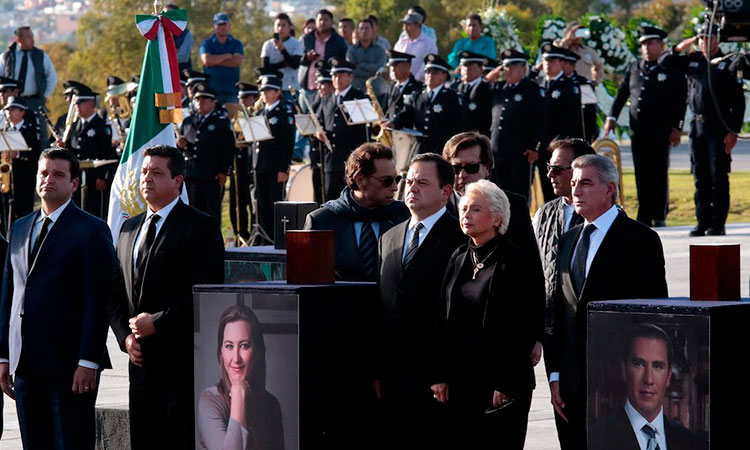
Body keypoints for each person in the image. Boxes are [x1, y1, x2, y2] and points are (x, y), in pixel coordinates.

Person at [547, 154, 668, 450]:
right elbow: (558, 313)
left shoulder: (641, 240)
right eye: (573, 183)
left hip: (620, 386)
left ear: (610, 189)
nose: (576, 191)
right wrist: (555, 375)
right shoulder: (568, 240)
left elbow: (652, 316)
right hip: (570, 388)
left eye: (586, 183)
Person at [108, 144, 225, 449]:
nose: (146, 178)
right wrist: (125, 337)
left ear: (177, 181)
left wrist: (158, 322)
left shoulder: (200, 226)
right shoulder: (128, 228)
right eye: (144, 171)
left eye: (157, 172)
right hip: (139, 363)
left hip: (180, 363)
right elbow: (115, 292)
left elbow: (208, 291)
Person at [0, 148, 115, 449]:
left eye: (58, 175)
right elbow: (9, 295)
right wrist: (3, 355)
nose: (49, 180)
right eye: (44, 173)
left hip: (70, 366)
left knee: (71, 443)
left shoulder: (91, 230)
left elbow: (98, 299)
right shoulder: (20, 227)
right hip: (25, 363)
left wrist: (89, 360)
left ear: (74, 184)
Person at [431, 179, 539, 450]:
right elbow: (441, 319)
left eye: (475, 209)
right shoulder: (458, 256)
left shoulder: (515, 260)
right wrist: (439, 374)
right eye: (464, 208)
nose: (466, 215)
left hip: (500, 385)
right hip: (459, 382)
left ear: (497, 218)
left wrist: (506, 382)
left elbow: (523, 326)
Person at [376, 152, 465, 450]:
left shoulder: (461, 240)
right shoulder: (389, 238)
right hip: (393, 378)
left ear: (445, 192)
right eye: (409, 181)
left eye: (422, 183)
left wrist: (445, 372)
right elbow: (382, 308)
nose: (411, 188)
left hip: (437, 381)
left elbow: (460, 315)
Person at [531, 138, 595, 449]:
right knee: (565, 421)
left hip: (593, 341)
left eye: (558, 168)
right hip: (554, 335)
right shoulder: (544, 214)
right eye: (549, 168)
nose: (551, 175)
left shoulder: (605, 218)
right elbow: (534, 275)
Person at [660, 25, 744, 236]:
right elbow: (664, 63)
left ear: (717, 40)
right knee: (700, 175)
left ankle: (717, 224)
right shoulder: (694, 60)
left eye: (709, 38)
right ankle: (702, 221)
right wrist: (680, 46)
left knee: (718, 175)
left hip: (719, 126)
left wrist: (733, 131)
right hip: (697, 127)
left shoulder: (728, 63)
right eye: (701, 39)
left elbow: (738, 102)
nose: (705, 43)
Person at [605, 26, 687, 228]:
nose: (646, 48)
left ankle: (659, 213)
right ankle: (644, 213)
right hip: (638, 130)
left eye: (650, 43)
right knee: (641, 172)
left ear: (661, 45)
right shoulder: (635, 66)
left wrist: (677, 128)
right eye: (643, 44)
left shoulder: (670, 68)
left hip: (661, 131)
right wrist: (612, 117)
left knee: (658, 172)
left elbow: (679, 100)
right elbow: (622, 93)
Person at [589, 323, 708, 450]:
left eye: (657, 366)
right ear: (624, 371)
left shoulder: (696, 445)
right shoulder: (594, 440)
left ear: (668, 377)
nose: (648, 379)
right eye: (639, 364)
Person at [304, 143, 409, 281]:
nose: (395, 188)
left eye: (396, 179)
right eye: (387, 180)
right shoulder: (321, 221)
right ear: (360, 180)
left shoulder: (404, 216)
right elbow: (308, 280)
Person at [198, 305, 284, 450]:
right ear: (221, 352)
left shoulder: (271, 405)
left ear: (257, 351)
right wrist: (238, 394)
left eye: (244, 345)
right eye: (229, 346)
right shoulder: (209, 401)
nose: (236, 358)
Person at [484, 49, 546, 201]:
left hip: (520, 152)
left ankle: (521, 224)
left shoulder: (532, 89)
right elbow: (477, 95)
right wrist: (487, 80)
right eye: (505, 66)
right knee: (500, 193)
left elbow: (540, 119)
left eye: (512, 66)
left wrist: (534, 146)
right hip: (498, 150)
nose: (507, 70)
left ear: (523, 68)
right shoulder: (499, 87)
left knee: (519, 195)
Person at [176, 83, 233, 226]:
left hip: (211, 175)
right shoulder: (189, 121)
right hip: (191, 175)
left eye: (204, 99)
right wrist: (180, 145)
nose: (199, 103)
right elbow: (185, 149)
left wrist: (223, 171)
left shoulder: (221, 122)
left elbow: (227, 148)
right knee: (192, 211)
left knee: (211, 213)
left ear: (213, 102)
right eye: (197, 99)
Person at [314, 57, 369, 200]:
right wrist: (319, 133)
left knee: (353, 200)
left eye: (341, 75)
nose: (337, 79)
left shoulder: (358, 97)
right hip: (331, 161)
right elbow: (320, 123)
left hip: (351, 159)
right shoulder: (326, 99)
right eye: (334, 75)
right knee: (331, 201)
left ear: (350, 76)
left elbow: (364, 132)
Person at [60, 83, 117, 219]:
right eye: (75, 103)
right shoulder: (74, 125)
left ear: (91, 103)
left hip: (94, 176)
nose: (76, 107)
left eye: (80, 103)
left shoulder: (101, 125)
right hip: (78, 176)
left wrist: (102, 176)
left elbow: (106, 152)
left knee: (94, 210)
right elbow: (74, 149)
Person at [389, 54, 463, 155]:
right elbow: (407, 113)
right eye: (428, 72)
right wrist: (394, 122)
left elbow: (456, 125)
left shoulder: (451, 97)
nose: (430, 75)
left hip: (441, 147)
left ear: (444, 75)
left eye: (435, 73)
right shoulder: (417, 94)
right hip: (419, 147)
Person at [254, 72, 295, 245]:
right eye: (263, 90)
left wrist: (283, 168)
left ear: (278, 92)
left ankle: (276, 238)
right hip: (261, 165)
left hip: (275, 166)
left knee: (275, 203)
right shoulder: (261, 111)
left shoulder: (284, 111)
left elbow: (287, 143)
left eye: (269, 90)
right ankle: (264, 238)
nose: (264, 93)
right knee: (261, 203)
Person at [538, 43, 582, 202]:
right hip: (541, 145)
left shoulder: (569, 86)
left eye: (552, 61)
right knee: (545, 183)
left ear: (561, 63)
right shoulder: (538, 85)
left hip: (559, 146)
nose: (548, 65)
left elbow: (572, 118)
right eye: (545, 61)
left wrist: (559, 141)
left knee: (562, 185)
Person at [0, 26, 58, 142]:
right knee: (11, 132)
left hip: (35, 101)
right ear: (19, 39)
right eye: (29, 37)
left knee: (40, 134)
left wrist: (44, 96)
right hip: (13, 103)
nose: (32, 40)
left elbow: (52, 77)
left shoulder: (40, 56)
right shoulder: (7, 56)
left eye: (32, 36)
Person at [1, 96, 41, 230]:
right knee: (6, 215)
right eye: (7, 110)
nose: (9, 112)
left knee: (24, 213)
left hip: (24, 178)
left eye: (13, 109)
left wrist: (18, 154)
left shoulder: (30, 130)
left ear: (22, 112)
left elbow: (37, 154)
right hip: (7, 180)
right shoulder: (5, 130)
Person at [231, 81, 259, 244]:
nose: (242, 102)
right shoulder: (238, 116)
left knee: (252, 200)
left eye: (246, 98)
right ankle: (240, 233)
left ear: (254, 98)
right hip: (239, 163)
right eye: (240, 99)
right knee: (237, 201)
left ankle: (255, 231)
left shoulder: (257, 115)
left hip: (252, 162)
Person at [298, 10, 349, 94]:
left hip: (329, 86)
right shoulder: (306, 39)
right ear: (316, 22)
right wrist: (307, 57)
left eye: (326, 20)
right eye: (320, 20)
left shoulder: (339, 41)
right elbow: (297, 59)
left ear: (332, 22)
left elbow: (343, 62)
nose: (322, 22)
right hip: (308, 86)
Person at [200, 12, 245, 105]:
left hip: (231, 91)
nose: (222, 27)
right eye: (219, 24)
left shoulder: (236, 43)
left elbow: (237, 61)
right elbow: (207, 60)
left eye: (225, 24)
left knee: (232, 118)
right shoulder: (207, 43)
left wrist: (215, 61)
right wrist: (228, 56)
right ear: (214, 27)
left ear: (229, 26)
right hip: (211, 91)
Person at [261, 13, 304, 97]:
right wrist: (284, 63)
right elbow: (265, 68)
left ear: (290, 27)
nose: (280, 28)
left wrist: (282, 50)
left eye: (284, 25)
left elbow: (294, 64)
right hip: (272, 88)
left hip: (291, 88)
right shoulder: (268, 45)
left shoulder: (296, 44)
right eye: (278, 25)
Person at [560, 48, 598, 143]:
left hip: (579, 129)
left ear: (572, 66)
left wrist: (592, 130)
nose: (562, 66)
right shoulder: (556, 82)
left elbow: (590, 110)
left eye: (565, 64)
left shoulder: (582, 83)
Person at [454, 51, 493, 138]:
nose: (467, 69)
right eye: (464, 65)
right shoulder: (456, 87)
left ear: (481, 69)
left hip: (478, 138)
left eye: (471, 65)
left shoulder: (488, 89)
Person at [554, 21, 604, 87]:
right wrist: (567, 39)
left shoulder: (589, 51)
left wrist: (596, 81)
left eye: (580, 32)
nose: (578, 36)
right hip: (564, 86)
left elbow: (599, 66)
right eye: (575, 32)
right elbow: (556, 52)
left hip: (585, 86)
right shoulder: (559, 45)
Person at [393, 12, 438, 82]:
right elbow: (394, 61)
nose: (405, 28)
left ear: (417, 25)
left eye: (408, 25)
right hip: (400, 83)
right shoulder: (400, 43)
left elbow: (427, 64)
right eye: (404, 25)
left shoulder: (428, 43)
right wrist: (395, 77)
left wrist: (414, 79)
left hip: (419, 84)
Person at [346, 19, 387, 91]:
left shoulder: (380, 50)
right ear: (358, 32)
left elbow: (380, 68)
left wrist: (360, 65)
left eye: (367, 28)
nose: (364, 31)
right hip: (356, 90)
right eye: (361, 28)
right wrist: (372, 73)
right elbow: (351, 70)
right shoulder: (352, 50)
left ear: (372, 31)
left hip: (376, 91)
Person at [382, 50, 423, 120]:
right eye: (391, 66)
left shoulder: (418, 88)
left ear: (408, 65)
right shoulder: (391, 87)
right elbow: (385, 110)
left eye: (396, 66)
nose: (393, 70)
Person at [166, 3, 193, 71]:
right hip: (164, 72)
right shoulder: (159, 34)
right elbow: (153, 55)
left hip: (181, 74)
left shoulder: (187, 34)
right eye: (164, 14)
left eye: (170, 14)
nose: (166, 17)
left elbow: (183, 57)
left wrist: (164, 54)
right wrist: (174, 51)